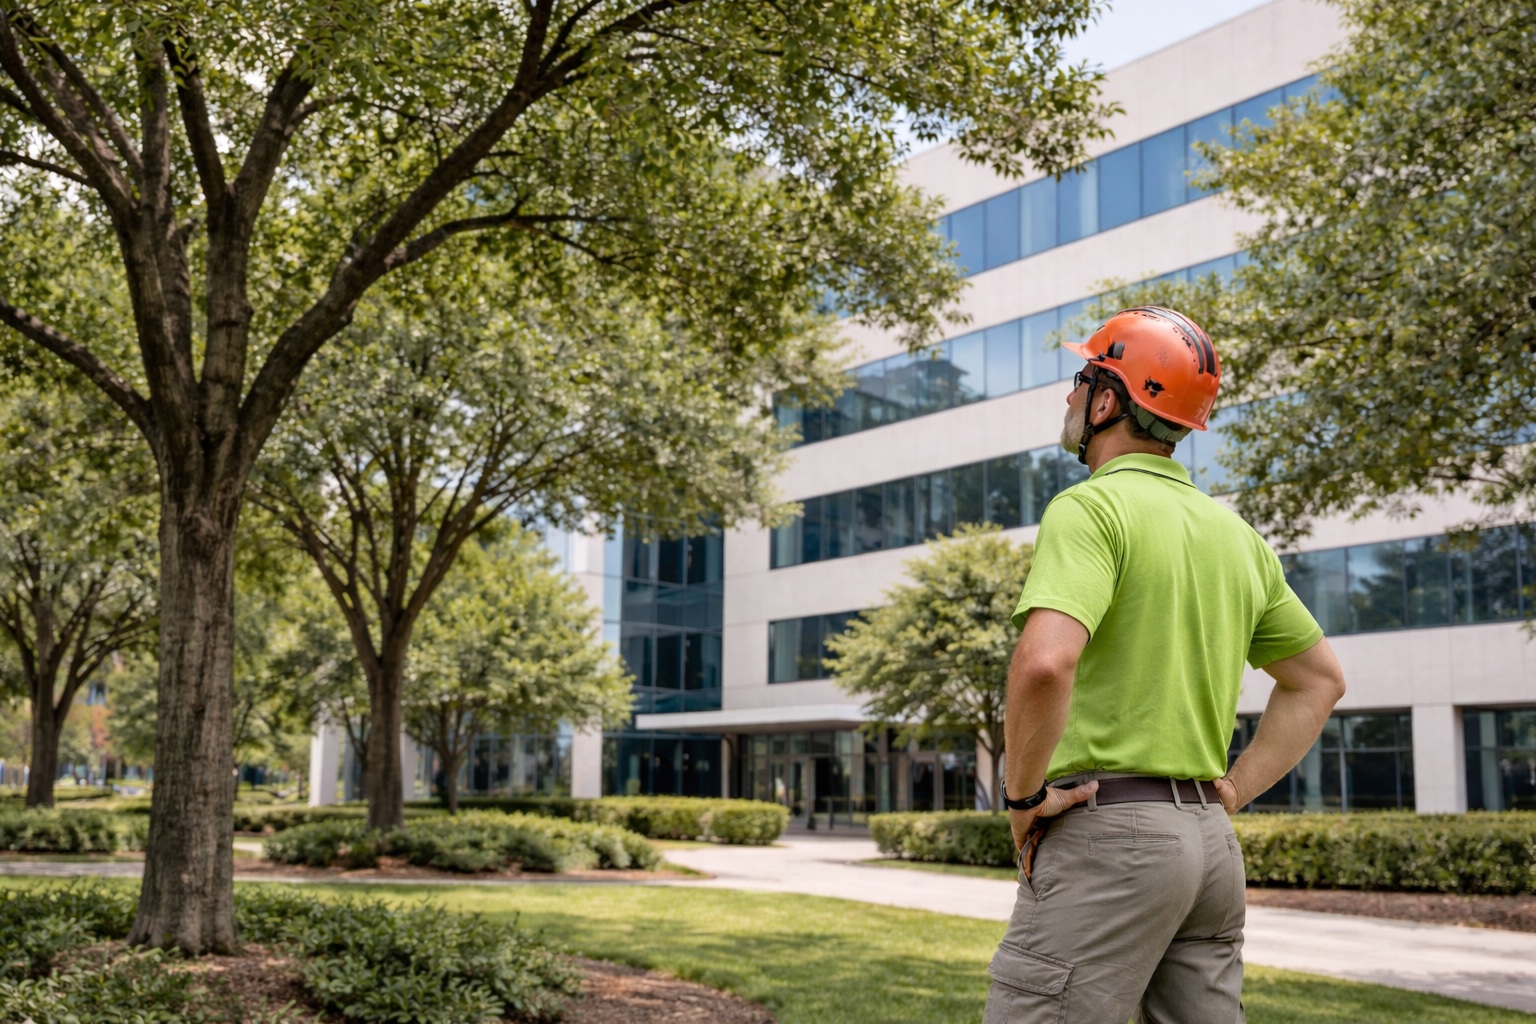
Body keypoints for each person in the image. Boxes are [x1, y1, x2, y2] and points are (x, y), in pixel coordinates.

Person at [983, 307, 1346, 1024]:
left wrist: (1022, 802)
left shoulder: (1089, 510)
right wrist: (1231, 793)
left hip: (1109, 839)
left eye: (1080, 380)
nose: (1068, 397)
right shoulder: (1235, 537)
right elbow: (1319, 680)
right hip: (1209, 849)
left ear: (1109, 399)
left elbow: (1045, 666)